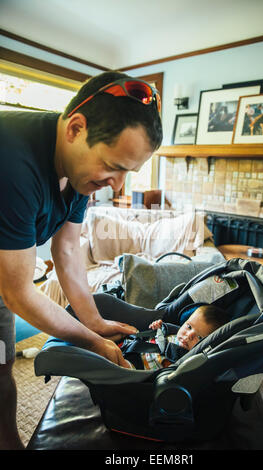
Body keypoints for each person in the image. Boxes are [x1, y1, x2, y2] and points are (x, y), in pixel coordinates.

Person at [0, 71, 162, 449]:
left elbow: (68, 249)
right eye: (114, 166)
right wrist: (92, 342)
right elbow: (19, 292)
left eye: (129, 172)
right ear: (75, 128)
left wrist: (95, 321)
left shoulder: (79, 172)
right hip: (8, 284)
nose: (118, 185)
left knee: (1, 367)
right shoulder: (11, 159)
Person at [120, 305, 229, 370]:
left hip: (136, 368)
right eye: (189, 326)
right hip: (132, 347)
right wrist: (157, 328)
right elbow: (157, 335)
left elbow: (168, 371)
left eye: (199, 338)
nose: (189, 335)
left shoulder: (186, 358)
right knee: (121, 331)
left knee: (112, 352)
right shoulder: (174, 333)